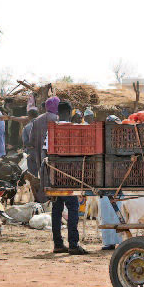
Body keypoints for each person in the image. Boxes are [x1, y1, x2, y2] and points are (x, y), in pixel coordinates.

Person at [48, 101, 89, 255]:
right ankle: (73, 243)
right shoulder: (76, 129)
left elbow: (47, 150)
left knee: (57, 208)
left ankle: (58, 243)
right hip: (70, 174)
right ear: (71, 112)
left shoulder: (51, 129)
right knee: (73, 206)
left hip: (55, 174)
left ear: (58, 113)